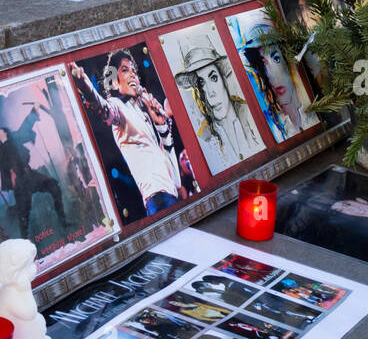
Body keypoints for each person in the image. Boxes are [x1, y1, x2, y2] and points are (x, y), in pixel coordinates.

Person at [70, 50, 183, 216]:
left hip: (172, 196)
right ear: (115, 83)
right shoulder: (119, 107)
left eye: (134, 71)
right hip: (158, 199)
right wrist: (87, 90)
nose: (132, 75)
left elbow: (171, 170)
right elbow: (104, 108)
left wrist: (163, 128)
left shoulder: (146, 115)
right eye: (125, 70)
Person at [172, 33, 263, 168]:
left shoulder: (249, 111)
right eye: (201, 83)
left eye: (213, 78)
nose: (210, 92)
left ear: (223, 78)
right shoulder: (206, 137)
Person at [0, 93, 69, 244]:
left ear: (5, 133)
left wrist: (34, 110)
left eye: (0, 132)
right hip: (19, 183)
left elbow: (24, 127)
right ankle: (24, 241)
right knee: (23, 214)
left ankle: (63, 221)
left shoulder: (14, 139)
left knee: (54, 186)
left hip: (28, 176)